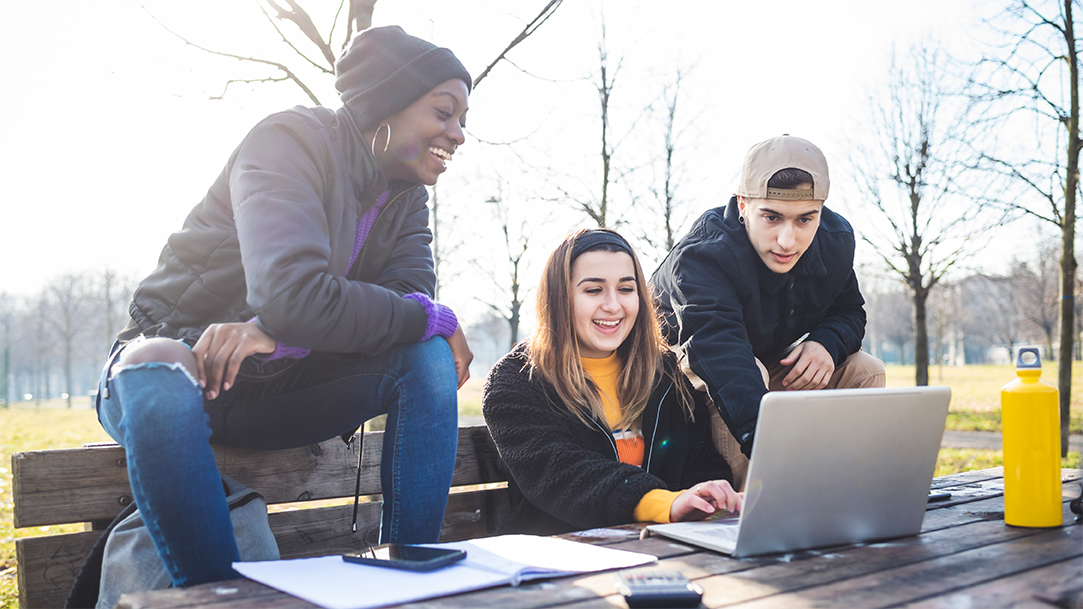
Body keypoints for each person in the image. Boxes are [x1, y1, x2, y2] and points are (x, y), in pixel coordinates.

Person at [94, 25, 474, 588]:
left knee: (426, 359)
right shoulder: (289, 140)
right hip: (180, 373)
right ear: (387, 105)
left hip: (280, 388)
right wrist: (430, 317)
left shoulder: (408, 200)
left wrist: (283, 332)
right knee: (157, 361)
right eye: (445, 111)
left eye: (464, 119)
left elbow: (400, 305)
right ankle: (220, 597)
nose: (458, 134)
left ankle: (412, 576)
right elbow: (294, 294)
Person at [651, 134, 886, 482]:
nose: (788, 241)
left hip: (755, 361)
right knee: (750, 374)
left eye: (805, 219)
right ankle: (746, 514)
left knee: (865, 369)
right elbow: (721, 356)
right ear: (743, 205)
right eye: (772, 218)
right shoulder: (705, 255)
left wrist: (826, 344)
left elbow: (850, 311)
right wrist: (778, 454)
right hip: (674, 376)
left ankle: (851, 493)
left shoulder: (834, 241)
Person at [482, 229, 740, 536]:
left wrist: (705, 496)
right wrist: (662, 503)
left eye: (626, 289)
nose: (613, 306)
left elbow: (700, 460)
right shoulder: (516, 380)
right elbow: (562, 473)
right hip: (562, 556)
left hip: (666, 548)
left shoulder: (663, 372)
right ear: (559, 298)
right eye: (593, 291)